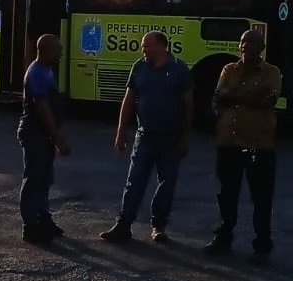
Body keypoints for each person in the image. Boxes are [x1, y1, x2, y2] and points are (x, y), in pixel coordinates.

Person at [103, 30, 193, 243]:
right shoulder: (139, 67)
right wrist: (121, 131)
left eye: (147, 46)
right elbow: (128, 100)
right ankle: (123, 225)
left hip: (170, 138)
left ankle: (158, 226)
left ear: (161, 46)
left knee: (166, 184)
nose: (143, 50)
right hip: (144, 136)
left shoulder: (179, 69)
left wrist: (185, 137)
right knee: (134, 182)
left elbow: (189, 106)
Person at [204, 28, 281, 262]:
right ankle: (223, 237)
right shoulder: (229, 69)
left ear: (261, 48)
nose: (245, 46)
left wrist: (234, 95)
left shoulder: (272, 72)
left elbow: (267, 99)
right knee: (226, 193)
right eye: (242, 42)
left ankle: (262, 245)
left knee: (261, 197)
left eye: (251, 42)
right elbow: (219, 97)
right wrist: (249, 95)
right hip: (228, 140)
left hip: (260, 142)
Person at [18, 34, 71, 244]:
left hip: (43, 134)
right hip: (35, 133)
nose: (61, 54)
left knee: (44, 178)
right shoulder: (37, 73)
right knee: (34, 179)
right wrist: (57, 137)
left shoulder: (46, 70)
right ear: (47, 51)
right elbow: (42, 108)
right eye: (58, 50)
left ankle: (43, 219)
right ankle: (30, 226)